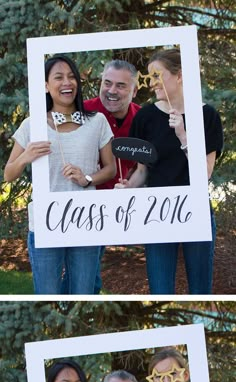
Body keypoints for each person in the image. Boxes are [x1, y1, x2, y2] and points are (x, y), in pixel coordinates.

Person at [3, 55, 116, 295]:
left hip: (86, 220)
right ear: (45, 85)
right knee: (47, 295)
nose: (67, 82)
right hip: (45, 222)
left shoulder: (97, 121)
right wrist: (26, 156)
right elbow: (8, 174)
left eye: (72, 76)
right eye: (58, 77)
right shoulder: (31, 125)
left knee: (83, 295)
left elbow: (110, 169)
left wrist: (87, 178)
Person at [117, 48, 223, 295]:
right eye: (149, 76)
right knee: (160, 289)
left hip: (194, 210)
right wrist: (128, 187)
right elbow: (142, 171)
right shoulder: (146, 116)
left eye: (157, 75)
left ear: (180, 75)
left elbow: (204, 174)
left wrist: (183, 135)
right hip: (157, 213)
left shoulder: (207, 116)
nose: (151, 83)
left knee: (200, 290)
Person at [84, 59, 140, 292]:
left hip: (122, 206)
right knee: (87, 273)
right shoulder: (82, 112)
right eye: (107, 83)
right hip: (84, 206)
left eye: (120, 86)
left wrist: (133, 184)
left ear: (134, 90)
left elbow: (146, 166)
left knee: (91, 272)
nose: (111, 91)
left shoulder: (143, 119)